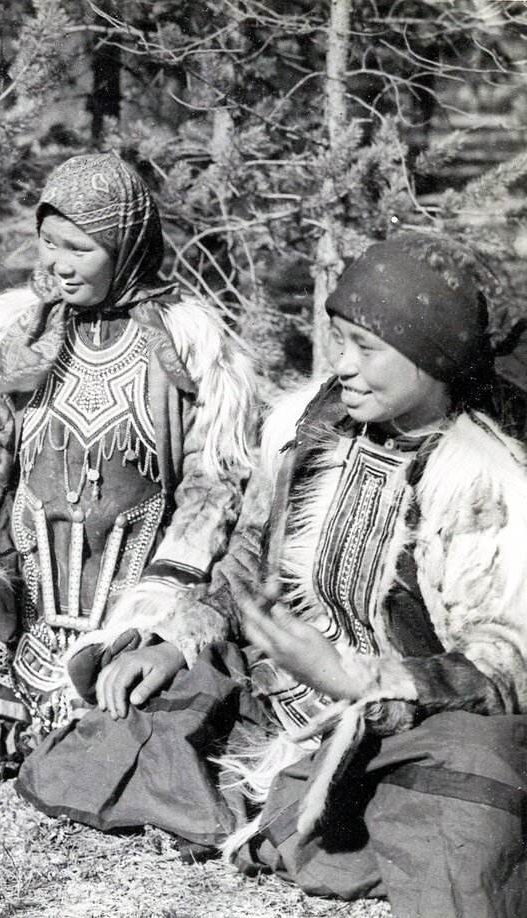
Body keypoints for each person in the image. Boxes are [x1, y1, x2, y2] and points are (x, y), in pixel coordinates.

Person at [50, 235, 527, 914]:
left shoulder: (482, 479)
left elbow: (505, 665)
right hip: (281, 703)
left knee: (473, 789)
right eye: (339, 341)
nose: (344, 366)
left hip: (408, 729)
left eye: (368, 349)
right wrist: (178, 641)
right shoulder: (313, 427)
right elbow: (248, 560)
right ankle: (288, 806)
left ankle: (305, 812)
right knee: (113, 725)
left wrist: (354, 683)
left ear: (435, 356)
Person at [0, 152, 256, 766]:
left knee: (159, 688)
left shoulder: (188, 349)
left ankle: (80, 714)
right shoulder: (21, 337)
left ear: (127, 247)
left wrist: (167, 589)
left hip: (135, 597)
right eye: (48, 242)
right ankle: (23, 711)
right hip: (26, 595)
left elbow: (212, 483)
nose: (57, 263)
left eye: (80, 249)